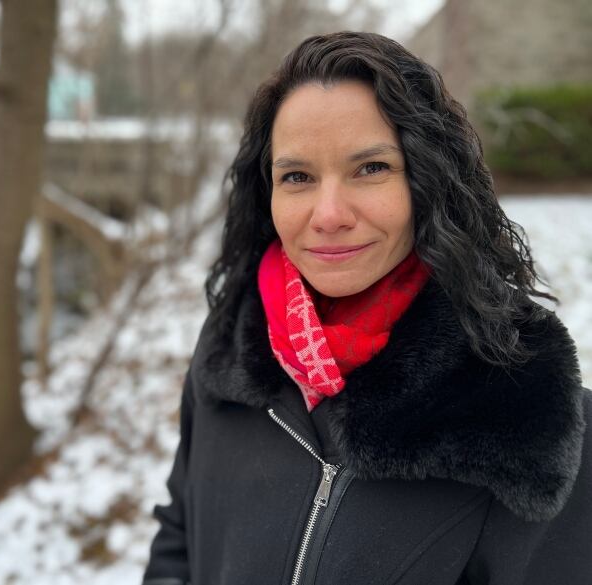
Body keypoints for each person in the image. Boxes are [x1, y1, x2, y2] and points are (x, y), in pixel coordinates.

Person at [142, 31, 591, 585]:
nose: (328, 214)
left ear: (429, 180)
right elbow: (179, 534)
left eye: (371, 168)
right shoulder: (230, 349)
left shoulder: (529, 410)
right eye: (298, 177)